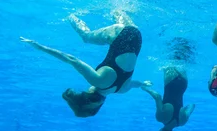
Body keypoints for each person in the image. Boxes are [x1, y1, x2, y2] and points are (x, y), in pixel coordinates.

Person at [20, 11, 149, 117]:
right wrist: (40, 47)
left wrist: (144, 84)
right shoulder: (98, 81)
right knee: (86, 37)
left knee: (118, 10)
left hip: (136, 37)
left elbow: (136, 84)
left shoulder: (122, 90)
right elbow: (72, 59)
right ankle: (70, 15)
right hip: (120, 34)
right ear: (86, 94)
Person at [141, 66, 195, 131]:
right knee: (170, 58)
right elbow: (157, 96)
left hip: (183, 83)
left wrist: (182, 110)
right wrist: (145, 88)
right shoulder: (161, 118)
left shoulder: (182, 122)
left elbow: (192, 105)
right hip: (170, 80)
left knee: (185, 59)